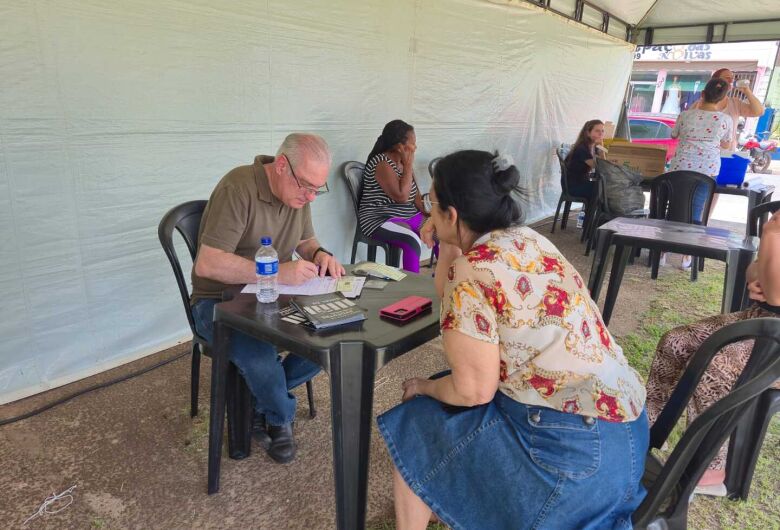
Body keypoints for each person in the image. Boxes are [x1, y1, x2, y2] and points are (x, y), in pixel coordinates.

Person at [377, 150, 648, 529]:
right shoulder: (528, 240)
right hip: (628, 445)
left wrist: (423, 386)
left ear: (452, 214)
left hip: (576, 463)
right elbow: (450, 289)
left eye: (432, 205)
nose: (426, 212)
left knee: (416, 420)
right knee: (450, 396)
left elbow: (474, 392)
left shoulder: (472, 271)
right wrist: (449, 241)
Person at [190, 133, 345, 464]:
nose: (312, 196)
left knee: (332, 333)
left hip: (269, 297)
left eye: (319, 188)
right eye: (307, 186)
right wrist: (274, 274)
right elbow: (208, 262)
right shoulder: (238, 187)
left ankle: (258, 398)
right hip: (217, 303)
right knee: (260, 357)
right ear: (281, 167)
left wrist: (320, 254)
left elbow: (307, 240)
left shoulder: (298, 197)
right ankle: (279, 417)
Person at [646, 209, 780, 497]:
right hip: (759, 319)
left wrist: (771, 235)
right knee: (676, 341)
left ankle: (710, 467)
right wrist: (758, 277)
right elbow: (755, 270)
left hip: (775, 338)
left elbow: (777, 293)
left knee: (717, 365)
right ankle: (649, 428)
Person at [669, 77, 733, 269]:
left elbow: (674, 135)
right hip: (706, 169)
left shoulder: (685, 115)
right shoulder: (725, 119)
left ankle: (662, 250)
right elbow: (727, 143)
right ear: (723, 99)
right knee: (696, 210)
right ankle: (687, 256)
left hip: (680, 167)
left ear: (702, 94)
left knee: (674, 207)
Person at [358, 120, 431, 273]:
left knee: (441, 232)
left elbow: (415, 197)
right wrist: (409, 166)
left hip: (407, 216)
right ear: (399, 147)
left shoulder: (403, 164)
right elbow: (402, 197)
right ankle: (412, 290)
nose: (415, 148)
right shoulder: (382, 163)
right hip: (380, 219)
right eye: (413, 144)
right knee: (411, 241)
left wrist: (432, 212)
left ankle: (446, 282)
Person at [691, 68, 765, 150]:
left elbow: (759, 112)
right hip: (700, 153)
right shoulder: (699, 104)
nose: (731, 81)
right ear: (715, 81)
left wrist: (747, 91)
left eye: (732, 79)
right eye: (727, 78)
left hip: (727, 154)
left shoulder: (735, 103)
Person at [564, 119, 606, 198]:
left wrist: (600, 147)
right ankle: (593, 210)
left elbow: (603, 163)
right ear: (588, 133)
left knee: (605, 186)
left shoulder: (593, 147)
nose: (601, 133)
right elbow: (599, 166)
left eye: (602, 131)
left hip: (582, 182)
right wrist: (601, 145)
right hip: (574, 186)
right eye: (597, 131)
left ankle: (596, 210)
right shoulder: (582, 148)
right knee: (604, 188)